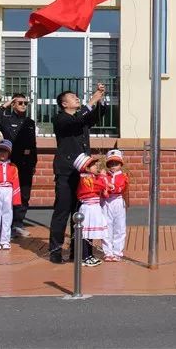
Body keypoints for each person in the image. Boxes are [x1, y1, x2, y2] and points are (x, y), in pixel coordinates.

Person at [49, 84, 106, 264]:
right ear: (64, 104)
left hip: (83, 173)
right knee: (63, 210)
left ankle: (77, 250)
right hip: (66, 172)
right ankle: (56, 250)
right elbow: (74, 122)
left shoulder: (81, 119)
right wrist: (91, 101)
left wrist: (101, 99)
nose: (77, 99)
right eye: (73, 97)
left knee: (79, 211)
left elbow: (94, 117)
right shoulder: (61, 119)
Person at [0, 93, 37, 237]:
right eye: (20, 103)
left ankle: (18, 224)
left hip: (26, 163)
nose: (23, 105)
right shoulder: (7, 119)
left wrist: (34, 162)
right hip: (11, 163)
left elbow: (33, 144)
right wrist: (6, 105)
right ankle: (6, 225)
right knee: (10, 194)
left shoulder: (30, 122)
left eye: (25, 103)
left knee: (24, 195)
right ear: (14, 105)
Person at [74, 153, 107, 267]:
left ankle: (89, 255)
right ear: (87, 168)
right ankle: (84, 256)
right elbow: (99, 186)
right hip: (88, 209)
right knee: (85, 234)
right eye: (93, 165)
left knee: (90, 234)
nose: (96, 166)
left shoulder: (91, 177)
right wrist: (102, 177)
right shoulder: (86, 179)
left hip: (93, 208)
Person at [102, 149, 129, 262]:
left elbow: (120, 187)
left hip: (118, 201)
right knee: (107, 227)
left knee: (120, 227)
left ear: (120, 164)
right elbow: (101, 186)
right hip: (107, 202)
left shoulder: (123, 176)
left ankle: (117, 251)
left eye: (116, 163)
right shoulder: (104, 175)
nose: (113, 166)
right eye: (111, 163)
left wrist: (109, 186)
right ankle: (108, 252)